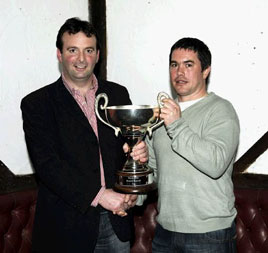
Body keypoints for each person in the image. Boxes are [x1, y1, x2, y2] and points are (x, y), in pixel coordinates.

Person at [21, 17, 148, 253]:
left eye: (88, 50)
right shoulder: (37, 104)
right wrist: (100, 196)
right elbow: (48, 166)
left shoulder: (118, 94)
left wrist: (136, 167)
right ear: (59, 54)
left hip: (116, 221)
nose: (81, 59)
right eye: (72, 50)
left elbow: (128, 151)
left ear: (97, 55)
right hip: (66, 229)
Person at [147, 37, 240, 252]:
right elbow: (153, 172)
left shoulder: (221, 110)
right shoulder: (161, 115)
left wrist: (176, 125)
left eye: (189, 65)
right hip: (164, 231)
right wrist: (133, 192)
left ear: (206, 70)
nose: (180, 72)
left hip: (209, 235)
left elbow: (215, 163)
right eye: (174, 65)